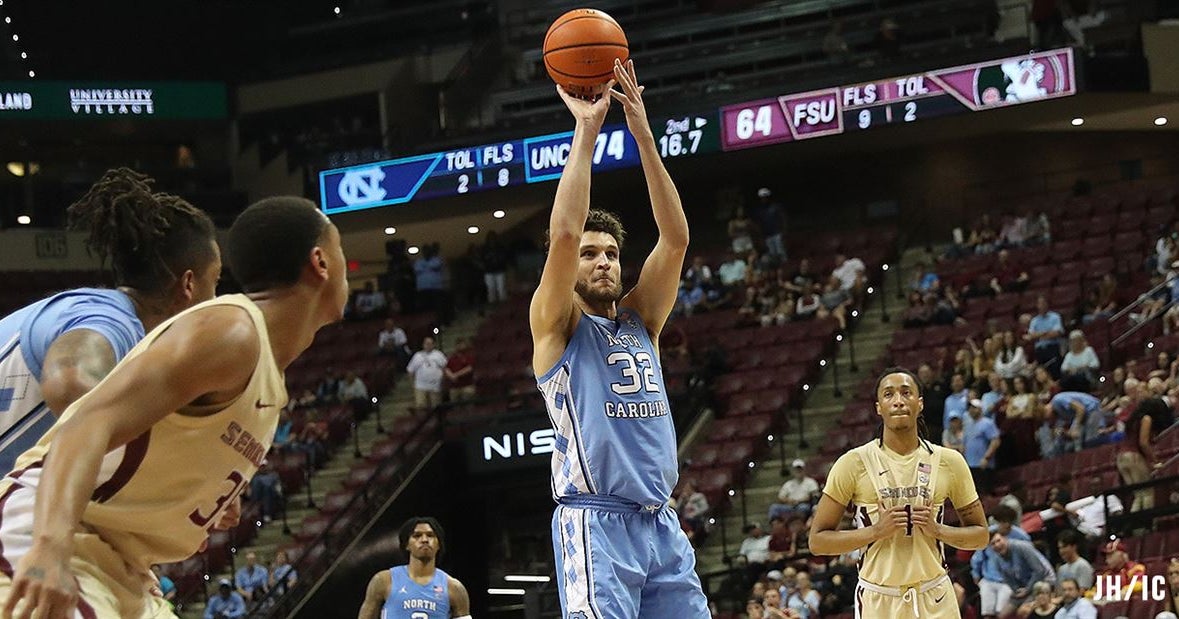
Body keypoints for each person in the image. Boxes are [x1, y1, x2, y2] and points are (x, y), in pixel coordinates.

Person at [0, 196, 350, 619]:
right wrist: (49, 548)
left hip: (125, 567)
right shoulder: (233, 330)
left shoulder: (267, 380)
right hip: (57, 535)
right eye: (342, 249)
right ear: (321, 262)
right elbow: (86, 420)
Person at [530, 59, 709, 617]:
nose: (604, 262)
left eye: (611, 253)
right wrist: (586, 131)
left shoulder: (641, 320)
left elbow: (675, 239)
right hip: (595, 519)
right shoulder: (556, 324)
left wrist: (643, 136)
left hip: (660, 519)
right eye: (590, 254)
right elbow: (563, 230)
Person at [0, 167, 219, 474]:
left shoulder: (111, 321)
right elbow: (71, 381)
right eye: (215, 281)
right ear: (189, 285)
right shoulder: (109, 319)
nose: (215, 299)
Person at [810, 367, 989, 618]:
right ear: (878, 407)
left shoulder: (950, 461)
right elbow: (817, 541)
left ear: (920, 404)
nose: (898, 401)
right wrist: (875, 531)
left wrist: (938, 530)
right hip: (879, 601)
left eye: (906, 393)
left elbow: (981, 536)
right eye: (889, 394)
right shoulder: (853, 463)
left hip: (935, 597)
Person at [357, 517, 471, 619]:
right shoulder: (384, 580)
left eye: (430, 535)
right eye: (417, 535)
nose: (424, 540)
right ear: (406, 544)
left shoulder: (455, 588)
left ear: (439, 544)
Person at [407, 336, 448, 410]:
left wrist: (443, 381)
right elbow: (410, 371)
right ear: (423, 345)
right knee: (421, 407)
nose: (428, 345)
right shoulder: (417, 356)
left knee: (436, 408)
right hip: (421, 386)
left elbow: (445, 368)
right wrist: (413, 385)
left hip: (435, 386)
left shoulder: (439, 354)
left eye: (430, 343)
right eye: (427, 343)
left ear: (433, 344)